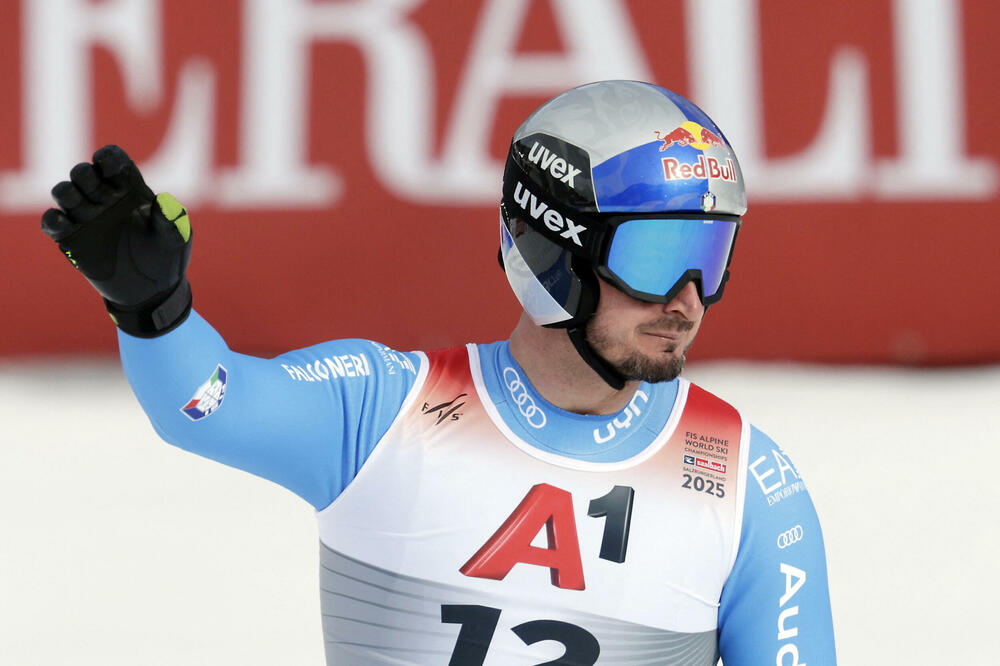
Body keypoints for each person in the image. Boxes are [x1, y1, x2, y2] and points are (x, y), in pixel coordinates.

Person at [41, 80, 836, 665]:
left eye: (710, 257)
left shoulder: (749, 484)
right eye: (658, 257)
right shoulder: (385, 409)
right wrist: (154, 310)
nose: (688, 301)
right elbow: (206, 402)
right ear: (556, 250)